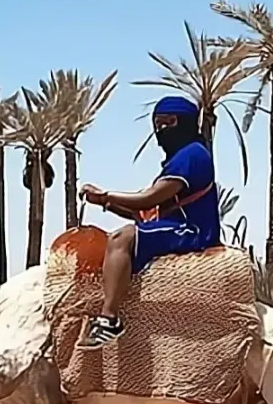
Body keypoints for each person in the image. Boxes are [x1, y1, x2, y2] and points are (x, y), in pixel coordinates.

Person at [76, 95, 220, 348]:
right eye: (157, 124)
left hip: (192, 231)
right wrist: (105, 203)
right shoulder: (178, 159)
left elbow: (148, 199)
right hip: (174, 227)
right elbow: (143, 212)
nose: (162, 130)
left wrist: (105, 195)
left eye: (169, 123)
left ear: (185, 123)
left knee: (122, 238)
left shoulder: (192, 155)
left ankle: (109, 319)